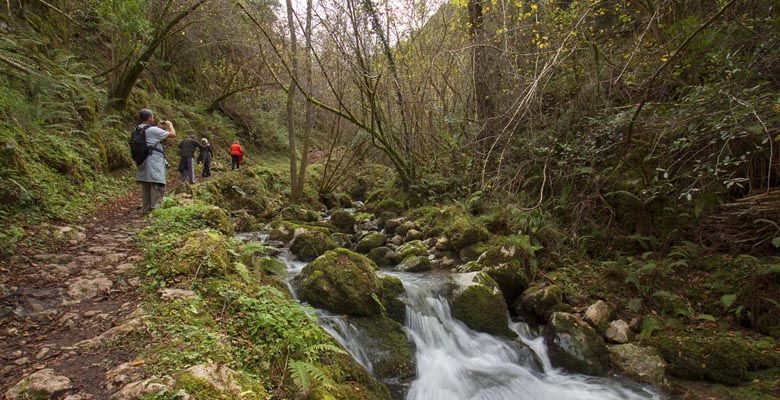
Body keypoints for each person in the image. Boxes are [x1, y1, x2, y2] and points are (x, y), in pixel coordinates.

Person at [135, 109, 176, 213]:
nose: (153, 119)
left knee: (146, 188)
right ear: (149, 118)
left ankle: (146, 211)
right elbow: (172, 134)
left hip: (143, 162)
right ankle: (156, 214)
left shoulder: (138, 129)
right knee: (157, 186)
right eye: (152, 117)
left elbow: (150, 139)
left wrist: (157, 128)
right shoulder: (153, 130)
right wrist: (170, 125)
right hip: (154, 163)